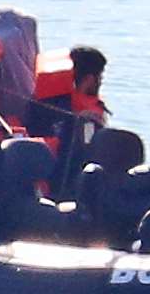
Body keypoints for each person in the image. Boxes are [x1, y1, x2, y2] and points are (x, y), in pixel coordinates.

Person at [25, 45, 109, 193]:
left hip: (37, 175)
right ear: (90, 79)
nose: (101, 81)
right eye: (100, 77)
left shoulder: (41, 101)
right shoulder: (88, 118)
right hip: (65, 184)